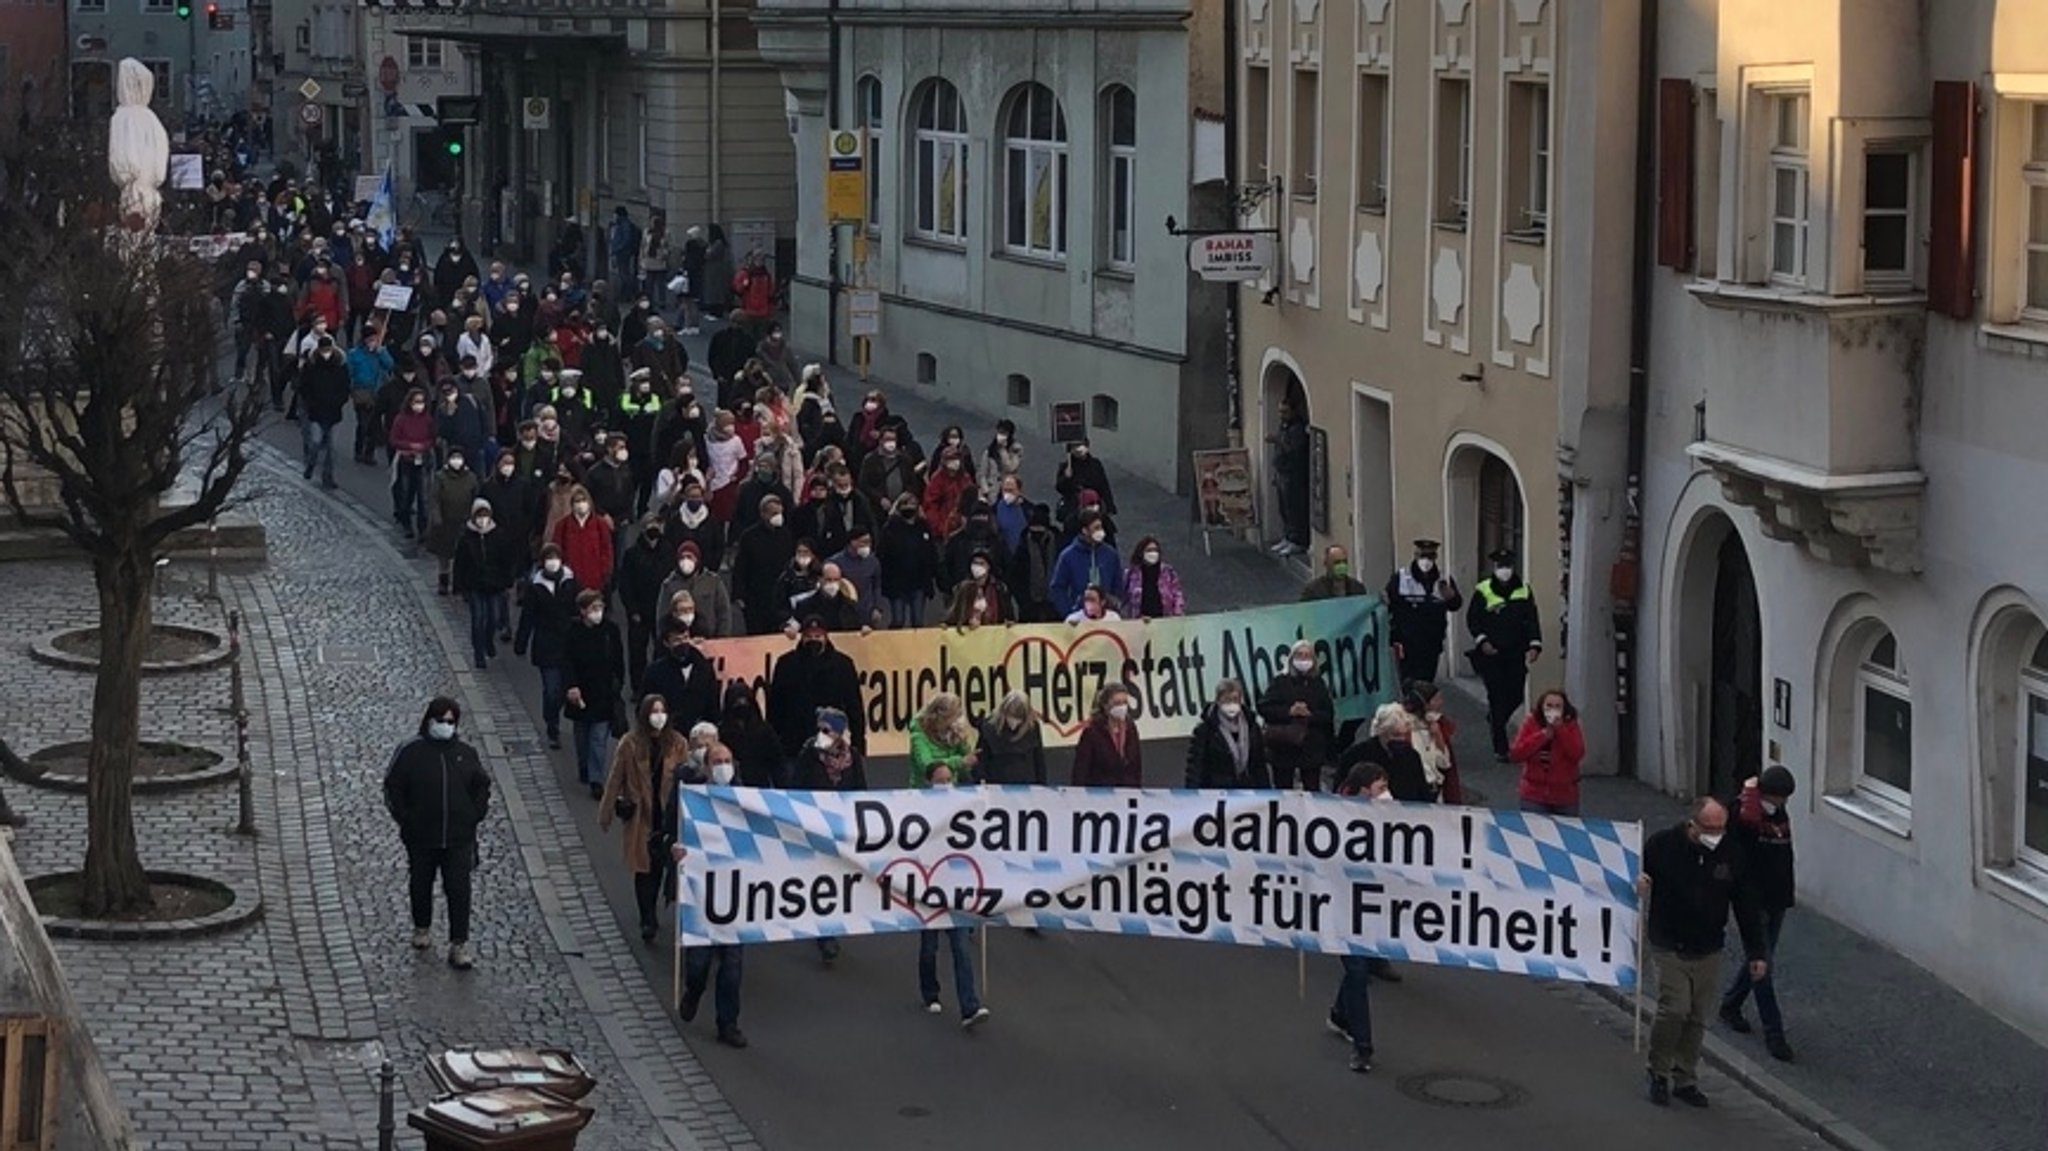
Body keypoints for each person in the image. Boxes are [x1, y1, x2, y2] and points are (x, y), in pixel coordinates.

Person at [1639, 797, 1769, 1107]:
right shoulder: (1662, 846)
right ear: (1692, 825)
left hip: (1708, 946)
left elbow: (1745, 905)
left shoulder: (1731, 854)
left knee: (1697, 1017)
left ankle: (1685, 1076)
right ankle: (1658, 1071)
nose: (1715, 834)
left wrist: (1757, 952)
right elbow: (1635, 872)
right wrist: (1639, 883)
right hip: (1669, 942)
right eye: (1709, 828)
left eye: (1720, 828)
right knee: (1675, 1009)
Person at [383, 697, 492, 971]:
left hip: (458, 837)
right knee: (421, 882)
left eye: (450, 721)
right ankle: (422, 927)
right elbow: (393, 786)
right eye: (441, 720)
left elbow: (481, 786)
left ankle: (459, 943)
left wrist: (474, 814)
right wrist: (406, 819)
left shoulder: (465, 754)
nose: (445, 726)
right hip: (421, 836)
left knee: (459, 889)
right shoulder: (411, 752)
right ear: (429, 720)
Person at [906, 694, 991, 1028]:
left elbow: (969, 759)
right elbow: (931, 766)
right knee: (930, 936)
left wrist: (962, 756)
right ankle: (930, 991)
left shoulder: (957, 733)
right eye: (954, 716)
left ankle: (969, 1004)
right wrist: (956, 764)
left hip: (953, 828)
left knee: (957, 933)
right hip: (924, 823)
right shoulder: (918, 736)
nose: (958, 722)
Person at [1719, 766, 1798, 1063]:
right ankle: (1774, 1033)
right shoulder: (1745, 815)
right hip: (1754, 902)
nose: (1782, 806)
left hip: (1776, 898)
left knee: (1760, 957)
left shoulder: (1777, 815)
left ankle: (1731, 1004)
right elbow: (1738, 851)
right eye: (1779, 798)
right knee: (1763, 965)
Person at [599, 694, 690, 942]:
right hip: (641, 816)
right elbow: (616, 777)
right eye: (654, 711)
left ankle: (655, 909)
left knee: (662, 868)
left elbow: (687, 778)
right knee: (644, 869)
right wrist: (607, 810)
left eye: (662, 710)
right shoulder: (630, 743)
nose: (658, 716)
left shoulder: (678, 743)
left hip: (669, 816)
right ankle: (647, 918)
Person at [676, 742, 748, 1047]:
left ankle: (727, 1023)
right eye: (718, 761)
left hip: (734, 889)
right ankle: (693, 991)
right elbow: (672, 827)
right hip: (701, 888)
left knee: (732, 964)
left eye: (728, 760)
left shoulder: (746, 800)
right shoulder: (690, 797)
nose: (723, 766)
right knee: (698, 964)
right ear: (706, 766)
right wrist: (674, 847)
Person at [1326, 763, 1381, 1073]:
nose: (1384, 792)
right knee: (1358, 971)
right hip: (1341, 906)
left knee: (1357, 970)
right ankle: (1363, 1046)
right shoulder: (1335, 816)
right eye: (1378, 787)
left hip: (1372, 905)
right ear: (1361, 790)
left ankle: (1339, 1013)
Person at [1466, 547, 1543, 760]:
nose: (1505, 570)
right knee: (1496, 696)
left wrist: (1535, 645)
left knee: (1516, 694)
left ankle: (1496, 718)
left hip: (1515, 652)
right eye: (1501, 567)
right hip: (1491, 655)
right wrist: (1482, 641)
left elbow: (1531, 620)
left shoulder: (1524, 590)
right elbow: (1473, 620)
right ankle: (1501, 748)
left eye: (1508, 566)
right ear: (1494, 568)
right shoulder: (1483, 590)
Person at [767, 616, 867, 773]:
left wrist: (858, 744)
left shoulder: (842, 665)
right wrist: (775, 744)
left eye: (818, 636)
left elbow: (854, 707)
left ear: (826, 637)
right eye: (809, 636)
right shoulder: (786, 664)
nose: (813, 640)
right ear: (802, 637)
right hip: (794, 743)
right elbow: (775, 707)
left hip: (831, 742)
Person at [516, 544, 583, 750]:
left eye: (556, 557)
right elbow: (528, 616)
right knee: (551, 690)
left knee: (565, 688)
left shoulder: (570, 583)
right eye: (549, 558)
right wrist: (521, 641)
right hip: (547, 644)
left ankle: (558, 716)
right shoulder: (536, 587)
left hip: (569, 644)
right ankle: (552, 726)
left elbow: (580, 608)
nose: (553, 561)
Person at [564, 588, 626, 798]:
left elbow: (618, 660)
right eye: (593, 608)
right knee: (582, 736)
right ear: (582, 611)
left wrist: (618, 685)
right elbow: (567, 662)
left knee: (599, 739)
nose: (597, 612)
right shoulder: (573, 632)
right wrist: (571, 686)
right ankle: (584, 766)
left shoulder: (611, 630)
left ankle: (596, 779)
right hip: (581, 692)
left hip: (603, 693)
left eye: (600, 607)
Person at [451, 498, 523, 670]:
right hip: (475, 585)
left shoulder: (498, 535)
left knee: (493, 618)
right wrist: (458, 587)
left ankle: (488, 641)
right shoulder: (466, 538)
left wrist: (507, 580)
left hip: (495, 585)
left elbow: (506, 560)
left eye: (485, 515)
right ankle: (478, 654)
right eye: (479, 516)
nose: (482, 520)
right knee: (478, 619)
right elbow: (460, 563)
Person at [1258, 640, 1335, 791]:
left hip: (1311, 749)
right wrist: (1289, 712)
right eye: (1299, 655)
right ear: (1292, 658)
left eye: (1307, 656)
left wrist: (1309, 715)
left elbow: (1328, 714)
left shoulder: (1318, 683)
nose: (1303, 659)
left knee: (1312, 791)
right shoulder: (1280, 681)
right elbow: (1264, 707)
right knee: (1284, 791)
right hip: (1284, 748)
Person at [1384, 539, 1463, 687]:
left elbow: (1455, 605)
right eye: (1422, 555)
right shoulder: (1401, 578)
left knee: (1426, 684)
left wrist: (1451, 597)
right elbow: (1388, 603)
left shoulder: (1443, 579)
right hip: (1406, 643)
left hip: (1431, 643)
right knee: (1408, 683)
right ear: (1415, 555)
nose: (1426, 560)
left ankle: (1422, 709)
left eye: (1430, 556)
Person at [1510, 689, 1586, 816]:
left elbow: (1577, 753)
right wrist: (1541, 736)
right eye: (1549, 706)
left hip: (1564, 794)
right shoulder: (1531, 722)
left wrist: (1561, 730)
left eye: (1557, 706)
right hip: (1534, 794)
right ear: (1542, 707)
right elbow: (1516, 753)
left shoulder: (1571, 725)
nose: (1553, 710)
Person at [642, 619, 722, 736]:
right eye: (677, 640)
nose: (683, 643)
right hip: (668, 734)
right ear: (666, 643)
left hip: (700, 732)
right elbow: (646, 705)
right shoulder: (655, 672)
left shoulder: (703, 667)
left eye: (685, 637)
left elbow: (713, 699)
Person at [1185, 679, 1270, 789]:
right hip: (1216, 792)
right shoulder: (1205, 730)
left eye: (1235, 699)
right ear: (1218, 701)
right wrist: (1192, 795)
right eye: (1227, 700)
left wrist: (1266, 794)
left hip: (1248, 792)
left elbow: (1260, 765)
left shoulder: (1252, 727)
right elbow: (1195, 767)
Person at [878, 493, 940, 629]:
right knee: (898, 620)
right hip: (896, 582)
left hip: (919, 582)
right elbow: (882, 555)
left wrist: (934, 575)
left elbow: (931, 553)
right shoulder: (890, 528)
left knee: (917, 620)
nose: (909, 507)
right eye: (905, 504)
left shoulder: (924, 527)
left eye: (912, 504)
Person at [1048, 511, 1123, 620]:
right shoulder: (1068, 556)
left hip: (1106, 616)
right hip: (1080, 616)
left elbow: (1118, 583)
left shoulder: (1110, 554)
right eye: (1096, 528)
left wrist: (1114, 605)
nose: (1100, 531)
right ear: (1084, 530)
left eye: (1101, 527)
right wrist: (1069, 611)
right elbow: (1057, 587)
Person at [298, 334, 350, 488]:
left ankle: (328, 477)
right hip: (316, 412)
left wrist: (340, 401)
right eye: (323, 350)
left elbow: (345, 387)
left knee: (332, 449)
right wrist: (311, 403)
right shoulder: (311, 366)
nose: (326, 353)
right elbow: (304, 387)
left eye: (328, 349)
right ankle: (311, 464)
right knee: (315, 442)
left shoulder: (340, 366)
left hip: (334, 412)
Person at [426, 449, 481, 594]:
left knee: (462, 554)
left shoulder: (471, 478)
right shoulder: (440, 477)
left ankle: (460, 583)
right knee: (443, 555)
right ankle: (443, 581)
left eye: (459, 457)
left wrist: (474, 518)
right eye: (453, 457)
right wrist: (436, 517)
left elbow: (476, 498)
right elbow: (434, 498)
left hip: (464, 521)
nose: (456, 461)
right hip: (445, 521)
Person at [1403, 682, 1465, 805]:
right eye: (1436, 699)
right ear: (1425, 704)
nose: (1441, 702)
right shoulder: (1406, 729)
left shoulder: (1436, 725)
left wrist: (1438, 736)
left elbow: (1444, 762)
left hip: (1435, 789)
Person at [1072, 682, 1143, 787]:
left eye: (1124, 703)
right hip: (1101, 794)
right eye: (1117, 703)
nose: (1122, 707)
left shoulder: (1130, 729)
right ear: (1105, 705)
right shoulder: (1092, 733)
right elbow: (1080, 772)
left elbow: (1137, 765)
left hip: (1127, 792)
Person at [975, 692, 1047, 786]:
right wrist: (981, 780)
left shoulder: (1032, 728)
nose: (1014, 723)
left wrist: (1042, 786)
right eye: (1010, 717)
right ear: (1004, 712)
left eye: (1019, 719)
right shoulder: (989, 727)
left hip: (1026, 786)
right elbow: (981, 759)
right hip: (997, 786)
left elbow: (1039, 760)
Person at [1267, 399, 1309, 556]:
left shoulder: (1298, 428)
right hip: (1282, 472)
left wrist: (1277, 440)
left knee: (1294, 508)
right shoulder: (1284, 426)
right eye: (1280, 411)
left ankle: (1298, 541)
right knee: (1284, 508)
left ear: (1293, 411)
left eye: (1284, 411)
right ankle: (1288, 536)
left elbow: (1294, 450)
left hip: (1294, 475)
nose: (1281, 415)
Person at [792, 706, 868, 792]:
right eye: (819, 729)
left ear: (838, 734)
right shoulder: (809, 752)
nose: (821, 735)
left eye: (826, 731)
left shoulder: (853, 756)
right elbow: (796, 787)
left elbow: (861, 790)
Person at [944, 546, 1014, 628]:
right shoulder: (961, 588)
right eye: (974, 563)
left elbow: (1009, 617)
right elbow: (952, 615)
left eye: (981, 563)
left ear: (988, 566)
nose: (977, 567)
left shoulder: (1000, 588)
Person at [1053, 438, 1116, 522]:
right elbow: (1060, 488)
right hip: (1075, 507)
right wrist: (1066, 477)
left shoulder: (1095, 464)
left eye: (1081, 445)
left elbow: (1104, 486)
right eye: (1074, 446)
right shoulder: (1067, 466)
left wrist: (1109, 506)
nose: (1078, 449)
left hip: (1093, 504)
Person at [1122, 537, 1185, 618]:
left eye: (1155, 550)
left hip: (1165, 619)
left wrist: (1178, 613)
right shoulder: (1130, 573)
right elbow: (1124, 599)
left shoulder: (1168, 572)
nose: (1153, 553)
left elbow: (1177, 594)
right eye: (1149, 550)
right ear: (1141, 553)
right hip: (1139, 621)